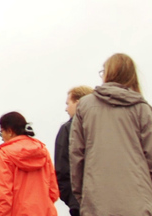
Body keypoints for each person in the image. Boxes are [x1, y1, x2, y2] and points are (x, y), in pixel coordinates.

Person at [70, 53, 152, 216]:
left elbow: (76, 155)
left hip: (97, 201)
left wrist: (83, 195)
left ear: (107, 74)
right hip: (140, 203)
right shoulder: (141, 108)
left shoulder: (84, 106)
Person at [0, 112, 57, 216]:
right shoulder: (42, 151)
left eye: (1, 132)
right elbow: (53, 191)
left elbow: (4, 198)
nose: (2, 137)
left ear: (10, 131)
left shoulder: (4, 154)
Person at [54, 86, 93, 216]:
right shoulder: (104, 127)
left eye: (68, 103)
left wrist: (72, 199)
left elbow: (62, 168)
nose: (66, 108)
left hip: (79, 203)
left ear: (78, 102)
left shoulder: (67, 129)